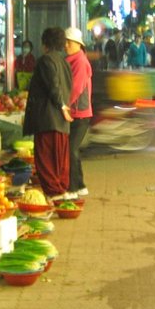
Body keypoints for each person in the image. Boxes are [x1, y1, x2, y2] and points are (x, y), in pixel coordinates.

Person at [23, 26, 73, 198]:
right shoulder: (64, 62)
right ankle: (61, 192)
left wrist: (60, 105)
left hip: (47, 120)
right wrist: (64, 107)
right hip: (61, 122)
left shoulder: (45, 61)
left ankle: (55, 193)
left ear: (45, 43)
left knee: (46, 161)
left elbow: (54, 86)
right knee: (60, 161)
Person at [64, 27, 93, 198]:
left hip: (80, 114)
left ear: (78, 44)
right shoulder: (71, 60)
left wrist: (63, 105)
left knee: (71, 150)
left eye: (69, 42)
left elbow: (76, 87)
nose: (66, 45)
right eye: (65, 41)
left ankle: (73, 189)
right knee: (72, 150)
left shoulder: (80, 62)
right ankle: (80, 185)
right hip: (75, 113)